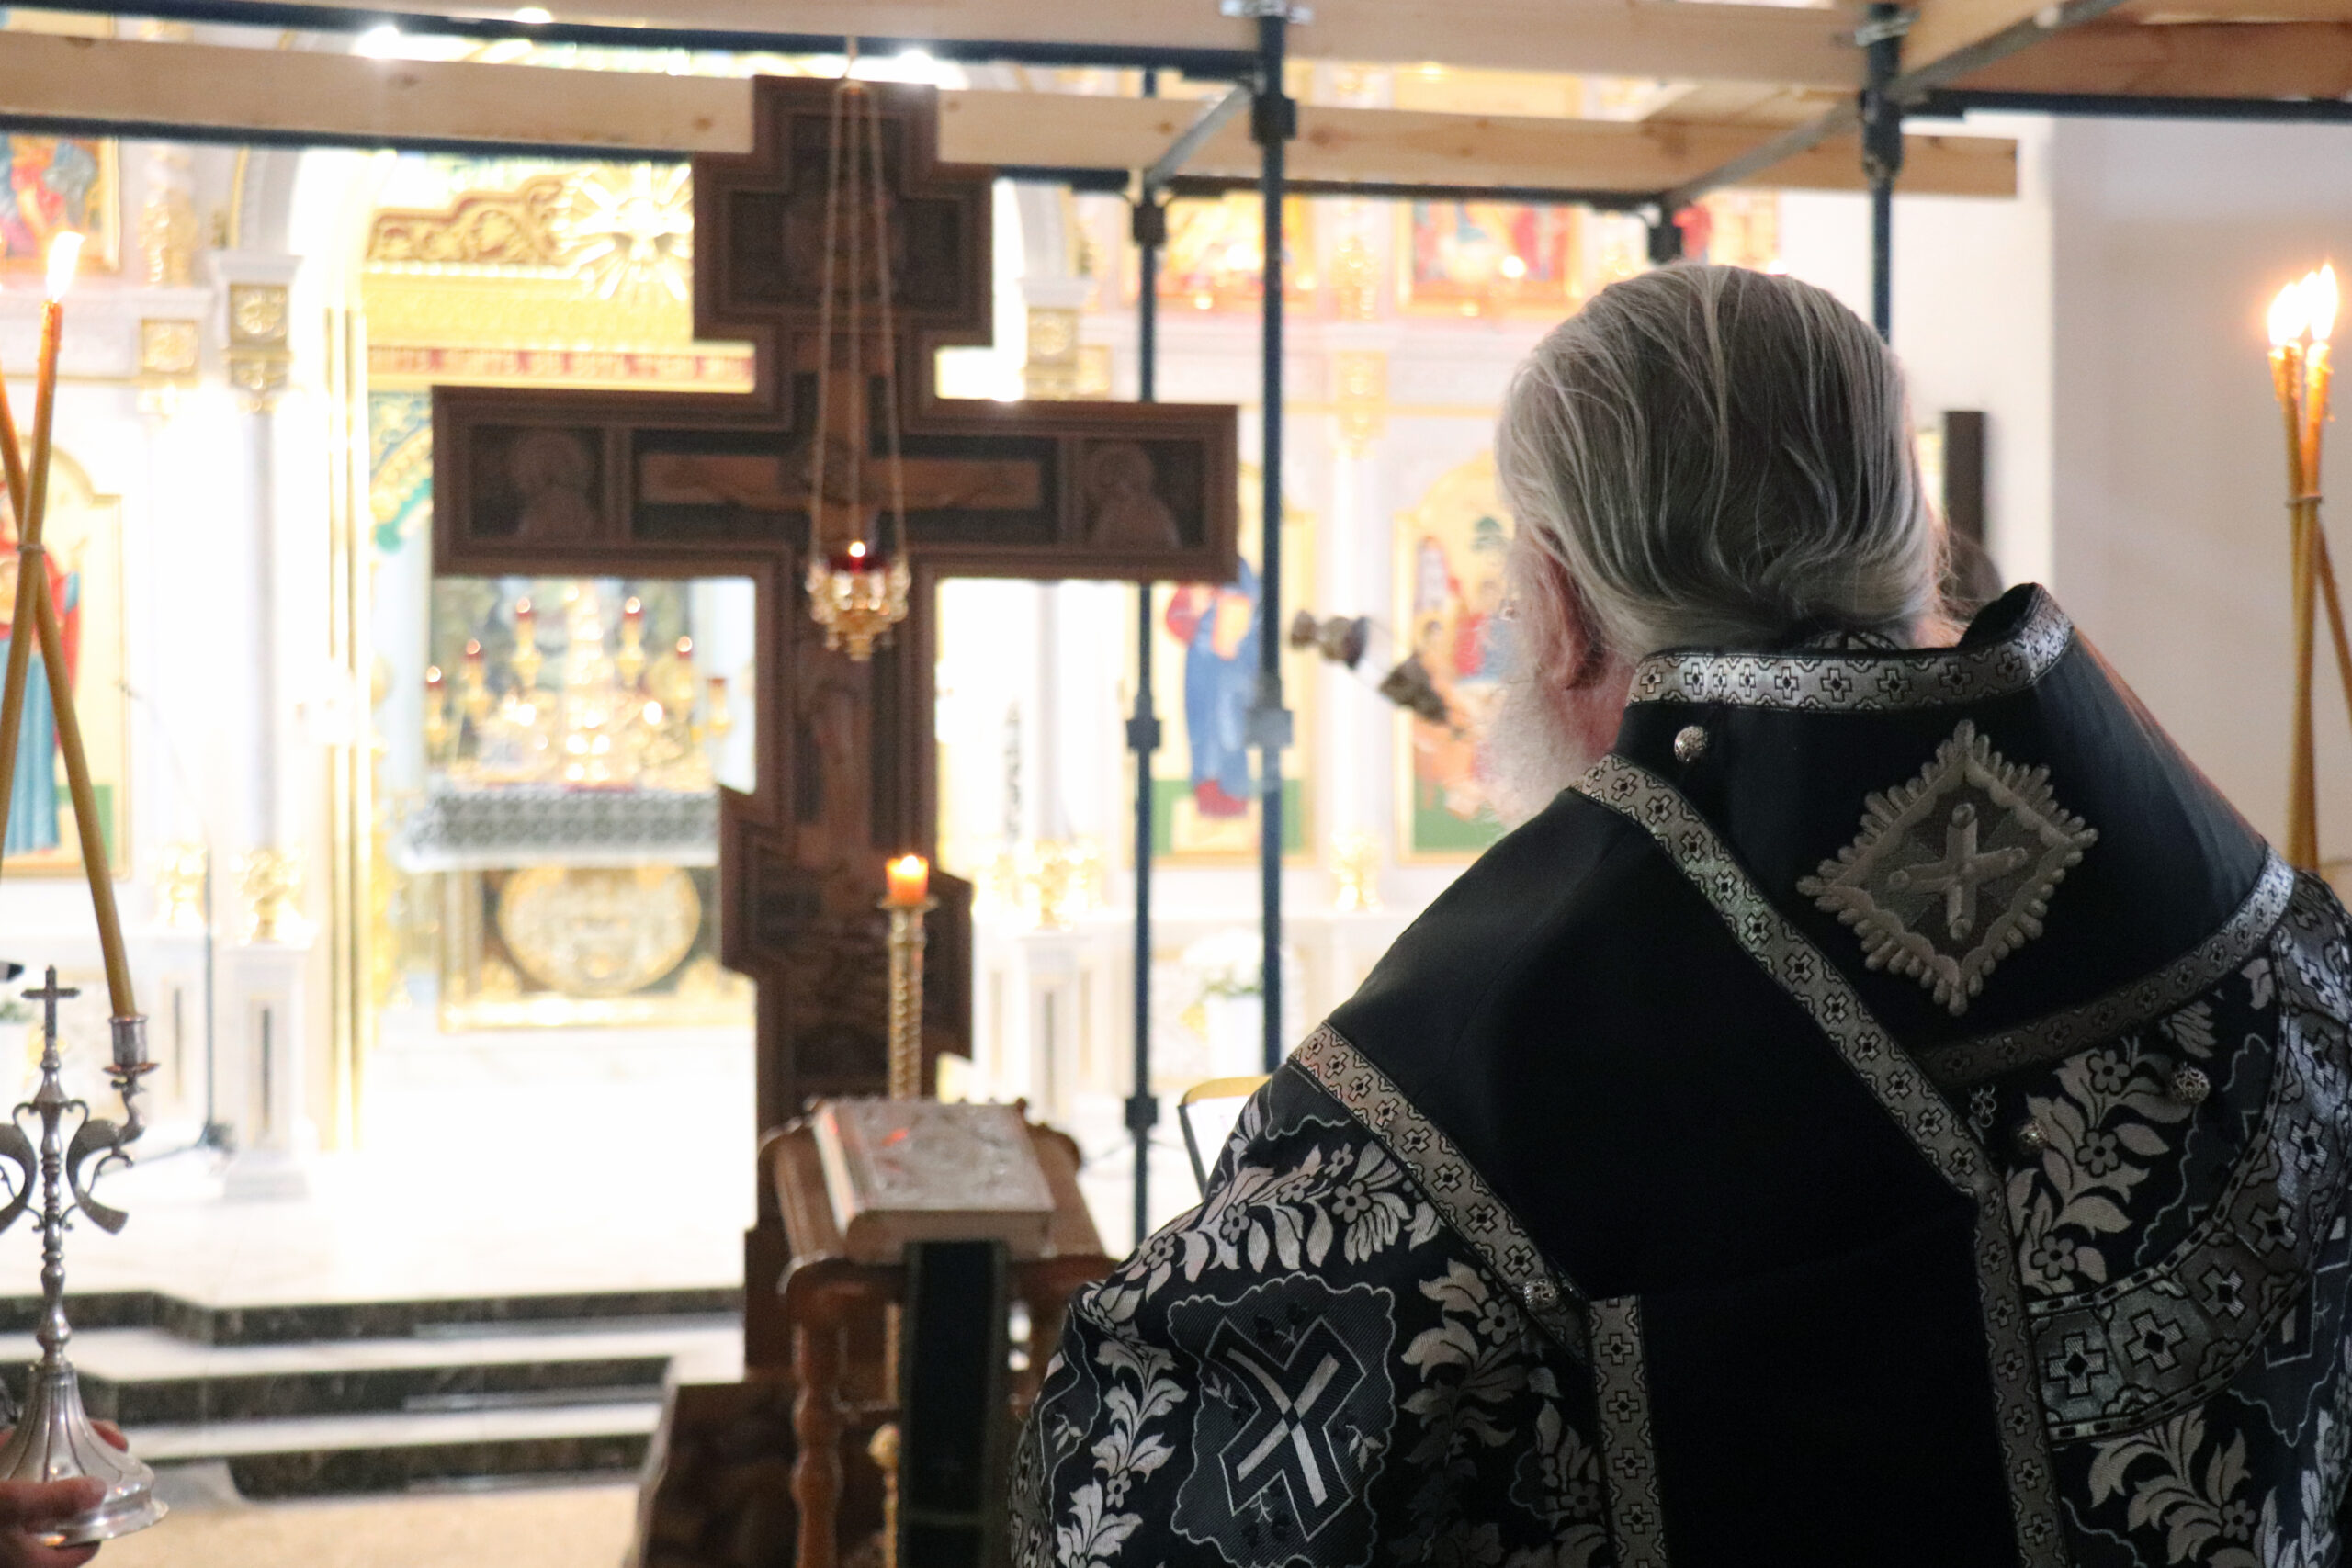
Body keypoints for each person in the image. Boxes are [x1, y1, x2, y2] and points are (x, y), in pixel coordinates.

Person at [1012, 265, 2352, 1566]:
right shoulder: (2275, 936)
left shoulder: (1485, 1064)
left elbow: (1147, 1502)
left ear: (1560, 606)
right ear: (1913, 540)